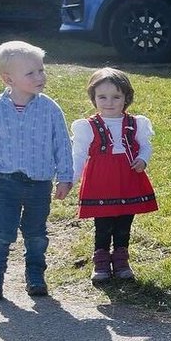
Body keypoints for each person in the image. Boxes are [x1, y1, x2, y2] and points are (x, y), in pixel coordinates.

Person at [0, 41, 73, 301]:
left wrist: (65, 176)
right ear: (9, 79)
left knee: (36, 232)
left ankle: (35, 276)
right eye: (31, 73)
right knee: (2, 231)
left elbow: (62, 143)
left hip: (40, 182)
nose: (40, 77)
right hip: (5, 181)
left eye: (41, 70)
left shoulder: (49, 108)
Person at [71, 68, 158, 284]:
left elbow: (146, 146)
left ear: (126, 98)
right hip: (101, 180)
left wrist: (143, 159)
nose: (109, 102)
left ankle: (121, 259)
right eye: (102, 97)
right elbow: (79, 154)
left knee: (124, 221)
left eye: (116, 97)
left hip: (128, 177)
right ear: (93, 98)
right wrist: (69, 179)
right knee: (103, 222)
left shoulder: (135, 123)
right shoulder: (87, 126)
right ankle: (101, 260)